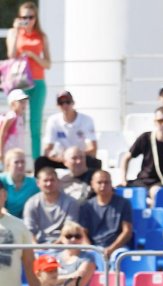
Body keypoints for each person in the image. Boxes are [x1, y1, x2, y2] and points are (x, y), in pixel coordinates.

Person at [6, 1, 50, 159]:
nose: (28, 20)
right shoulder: (13, 33)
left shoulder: (41, 36)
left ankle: (37, 163)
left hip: (38, 82)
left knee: (35, 127)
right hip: (20, 83)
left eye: (31, 17)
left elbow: (48, 63)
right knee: (16, 123)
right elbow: (11, 55)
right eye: (24, 17)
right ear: (19, 18)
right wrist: (17, 32)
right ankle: (14, 160)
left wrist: (33, 56)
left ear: (36, 18)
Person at [36, 90, 99, 174]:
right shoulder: (53, 120)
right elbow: (47, 149)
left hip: (80, 159)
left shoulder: (86, 120)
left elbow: (93, 148)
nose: (65, 105)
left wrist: (75, 157)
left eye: (67, 102)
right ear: (57, 105)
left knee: (94, 163)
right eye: (61, 103)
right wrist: (58, 157)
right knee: (40, 161)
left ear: (73, 103)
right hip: (61, 159)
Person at [78, 170, 133, 260]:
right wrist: (92, 249)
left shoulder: (124, 203)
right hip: (95, 247)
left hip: (118, 248)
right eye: (99, 182)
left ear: (111, 184)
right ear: (92, 184)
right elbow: (82, 232)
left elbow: (127, 231)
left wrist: (111, 249)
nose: (103, 186)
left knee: (119, 257)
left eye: (106, 182)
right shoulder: (87, 206)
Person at [23, 167, 80, 244]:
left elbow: (70, 229)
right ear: (38, 183)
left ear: (58, 182)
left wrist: (54, 246)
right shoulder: (31, 203)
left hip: (64, 245)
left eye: (52, 180)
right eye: (45, 181)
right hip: (39, 245)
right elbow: (29, 230)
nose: (49, 183)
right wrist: (36, 248)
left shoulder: (71, 202)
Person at [0, 148, 38, 218]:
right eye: (16, 162)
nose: (20, 165)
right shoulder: (1, 179)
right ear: (8, 164)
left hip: (25, 223)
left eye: (22, 162)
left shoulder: (34, 183)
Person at [0, 89, 28, 158]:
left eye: (25, 102)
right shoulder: (11, 116)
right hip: (9, 152)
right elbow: (2, 133)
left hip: (17, 152)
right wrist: (1, 151)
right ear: (12, 104)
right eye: (21, 102)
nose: (24, 104)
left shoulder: (20, 117)